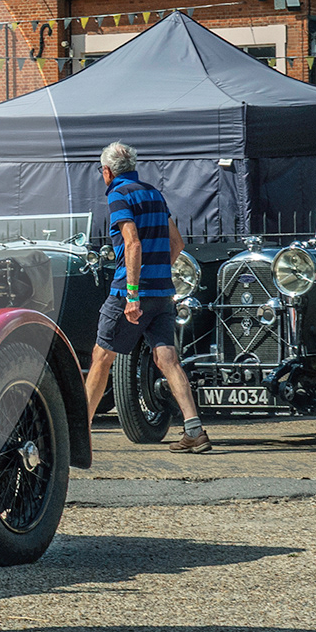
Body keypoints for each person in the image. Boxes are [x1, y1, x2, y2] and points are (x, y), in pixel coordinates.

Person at [82, 142, 212, 454]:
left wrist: (132, 294)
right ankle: (194, 430)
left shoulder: (118, 194)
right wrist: (156, 274)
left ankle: (78, 435)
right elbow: (177, 242)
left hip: (129, 293)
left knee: (101, 358)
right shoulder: (154, 192)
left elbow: (132, 244)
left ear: (107, 171)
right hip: (163, 293)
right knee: (167, 359)